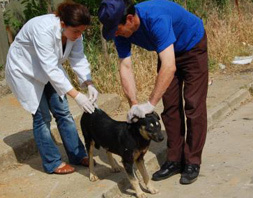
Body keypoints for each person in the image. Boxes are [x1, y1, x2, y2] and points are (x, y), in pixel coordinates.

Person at [98, 0, 208, 184]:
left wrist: (149, 104)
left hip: (192, 47)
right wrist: (133, 103)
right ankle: (174, 160)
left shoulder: (156, 18)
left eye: (116, 30)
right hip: (167, 52)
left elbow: (169, 66)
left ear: (130, 19)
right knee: (170, 106)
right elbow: (125, 66)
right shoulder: (121, 32)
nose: (115, 34)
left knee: (193, 105)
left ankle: (192, 162)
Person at [5, 2, 98, 174]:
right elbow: (50, 68)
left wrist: (88, 83)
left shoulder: (76, 34)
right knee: (42, 117)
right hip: (26, 70)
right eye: (76, 31)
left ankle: (77, 154)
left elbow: (77, 58)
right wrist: (77, 95)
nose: (79, 36)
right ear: (63, 24)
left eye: (81, 32)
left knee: (63, 112)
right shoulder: (43, 29)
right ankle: (52, 162)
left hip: (49, 68)